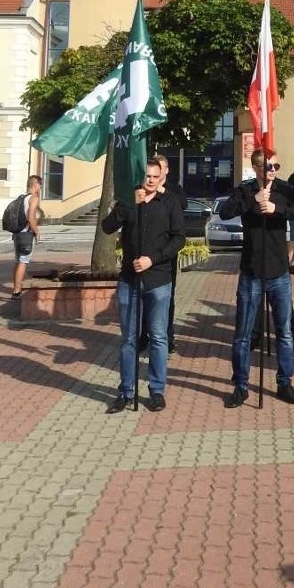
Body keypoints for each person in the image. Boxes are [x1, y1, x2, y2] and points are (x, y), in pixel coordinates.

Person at [221, 149, 294, 407]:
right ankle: (240, 385)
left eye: (275, 166)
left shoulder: (284, 189)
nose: (272, 171)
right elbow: (226, 211)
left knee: (284, 333)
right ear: (256, 168)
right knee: (243, 333)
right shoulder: (245, 189)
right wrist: (253, 200)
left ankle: (285, 382)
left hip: (279, 271)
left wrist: (276, 207)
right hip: (252, 272)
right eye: (267, 167)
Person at [102, 159, 186, 413]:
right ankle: (126, 391)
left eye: (154, 176)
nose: (150, 180)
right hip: (130, 280)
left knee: (159, 338)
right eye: (146, 176)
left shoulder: (169, 203)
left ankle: (156, 390)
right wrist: (127, 207)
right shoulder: (130, 202)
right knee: (128, 339)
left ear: (161, 178)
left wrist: (153, 259)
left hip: (158, 280)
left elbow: (179, 238)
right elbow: (107, 227)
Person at [139, 154, 187, 355]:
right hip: (143, 257)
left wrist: (162, 191)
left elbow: (181, 204)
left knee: (167, 297)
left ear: (165, 171)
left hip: (165, 257)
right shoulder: (143, 191)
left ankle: (168, 336)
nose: (153, 176)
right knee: (143, 298)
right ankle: (144, 336)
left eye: (161, 168)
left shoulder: (174, 191)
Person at [11, 175, 43, 300]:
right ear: (35, 184)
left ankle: (15, 288)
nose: (40, 188)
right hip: (26, 234)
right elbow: (31, 217)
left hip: (17, 233)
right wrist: (36, 231)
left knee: (18, 261)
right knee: (23, 261)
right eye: (40, 185)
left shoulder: (21, 198)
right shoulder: (33, 198)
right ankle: (17, 291)